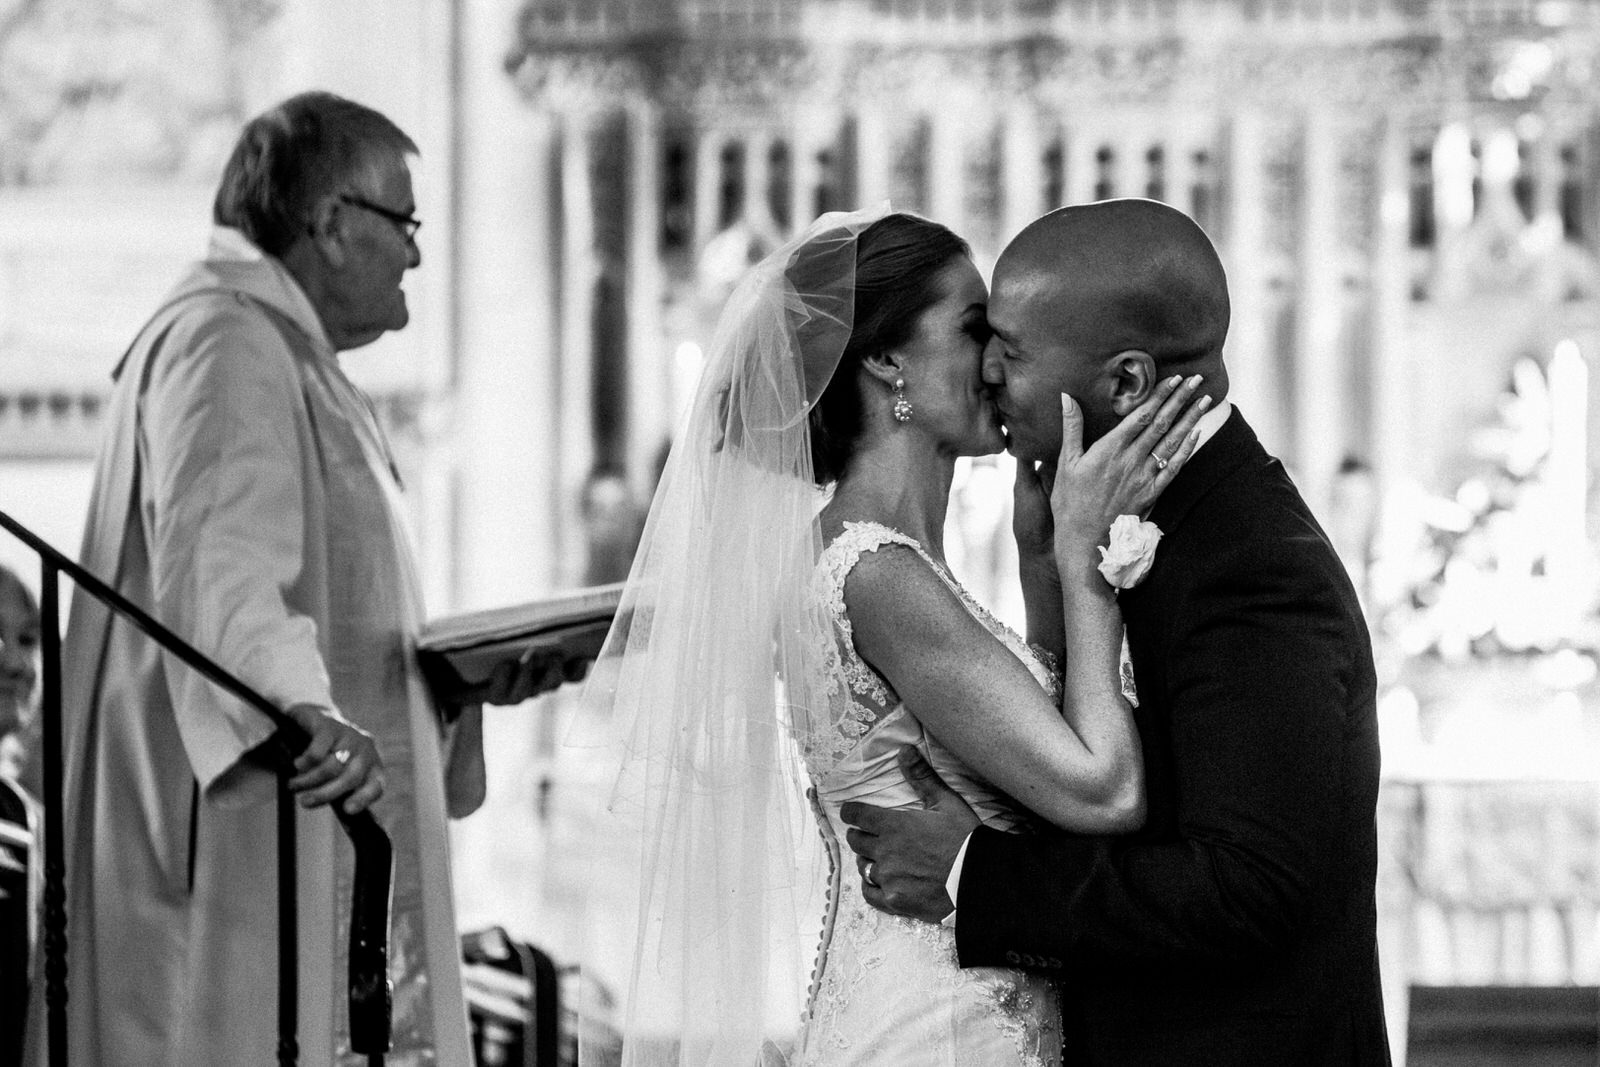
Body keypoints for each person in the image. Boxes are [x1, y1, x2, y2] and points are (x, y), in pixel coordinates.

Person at [579, 206, 1206, 1066]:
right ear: (884, 359)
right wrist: (1084, 562)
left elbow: (1028, 760)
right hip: (939, 1026)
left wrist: (1036, 565)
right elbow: (1102, 789)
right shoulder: (876, 573)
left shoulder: (877, 561)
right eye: (974, 327)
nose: (997, 361)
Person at [25, 91, 561, 1067]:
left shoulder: (290, 355)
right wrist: (301, 712)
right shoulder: (226, 338)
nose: (417, 254)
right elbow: (220, 563)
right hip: (248, 834)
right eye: (405, 223)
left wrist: (453, 688)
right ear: (330, 222)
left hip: (309, 821)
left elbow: (329, 606)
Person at [843, 198, 1390, 1065]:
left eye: (1011, 349)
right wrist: (1053, 573)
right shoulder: (1136, 517)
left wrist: (972, 872)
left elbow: (1247, 889)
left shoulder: (1250, 563)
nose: (986, 370)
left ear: (1126, 384)